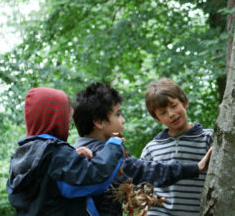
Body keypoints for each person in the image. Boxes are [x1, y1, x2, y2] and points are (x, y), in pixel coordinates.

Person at [73, 82, 212, 216]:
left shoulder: (81, 152)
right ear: (98, 122)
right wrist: (196, 168)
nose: (123, 120)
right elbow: (143, 171)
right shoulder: (103, 155)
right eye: (118, 114)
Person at [6, 87, 125, 216]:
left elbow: (50, 188)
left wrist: (74, 157)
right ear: (55, 121)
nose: (68, 130)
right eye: (67, 123)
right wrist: (114, 145)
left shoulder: (22, 155)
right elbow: (96, 179)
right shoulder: (54, 154)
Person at [140, 77, 214, 216]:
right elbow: (144, 189)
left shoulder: (208, 138)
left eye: (174, 106)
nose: (171, 114)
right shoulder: (151, 149)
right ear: (157, 118)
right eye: (163, 112)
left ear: (185, 102)